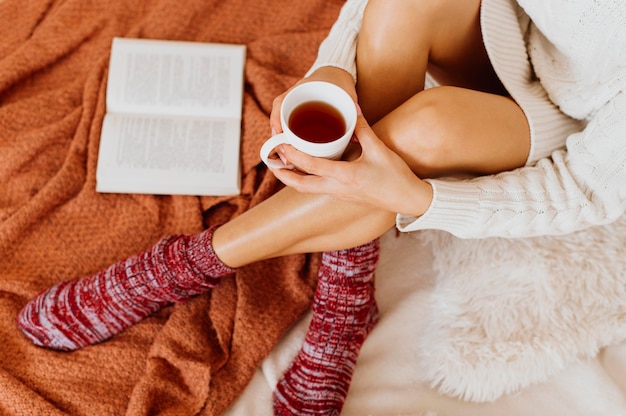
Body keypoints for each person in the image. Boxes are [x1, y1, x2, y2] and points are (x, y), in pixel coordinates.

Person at [17, 0, 626, 414]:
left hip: (574, 123)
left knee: (423, 134)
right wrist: (334, 67)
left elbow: (584, 188)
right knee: (397, 6)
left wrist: (417, 198)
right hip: (504, 40)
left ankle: (178, 268)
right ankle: (350, 272)